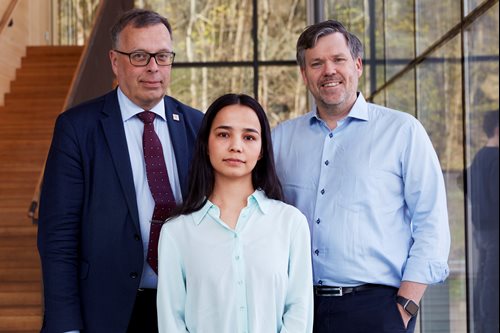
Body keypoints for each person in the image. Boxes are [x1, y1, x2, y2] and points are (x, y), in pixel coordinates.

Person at [272, 20, 451, 333]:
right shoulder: (281, 140)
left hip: (377, 310)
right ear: (304, 74)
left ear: (357, 65)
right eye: (316, 63)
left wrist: (405, 306)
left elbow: (432, 222)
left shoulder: (402, 131)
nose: (328, 70)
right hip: (299, 310)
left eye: (338, 59)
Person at [37, 8, 203, 333]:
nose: (153, 67)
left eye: (163, 56)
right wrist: (65, 325)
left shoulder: (198, 126)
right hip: (106, 312)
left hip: (185, 309)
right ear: (115, 61)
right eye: (139, 55)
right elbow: (58, 238)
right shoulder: (77, 128)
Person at [156, 93, 314, 333]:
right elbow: (171, 321)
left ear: (261, 150)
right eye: (223, 134)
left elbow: (299, 312)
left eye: (249, 137)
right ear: (206, 144)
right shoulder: (176, 231)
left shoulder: (291, 223)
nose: (236, 146)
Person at [468, 110, 499, 333]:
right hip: (495, 231)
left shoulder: (479, 157)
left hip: (481, 230)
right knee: (493, 283)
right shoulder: (497, 158)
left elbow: (465, 182)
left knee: (484, 278)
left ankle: (481, 325)